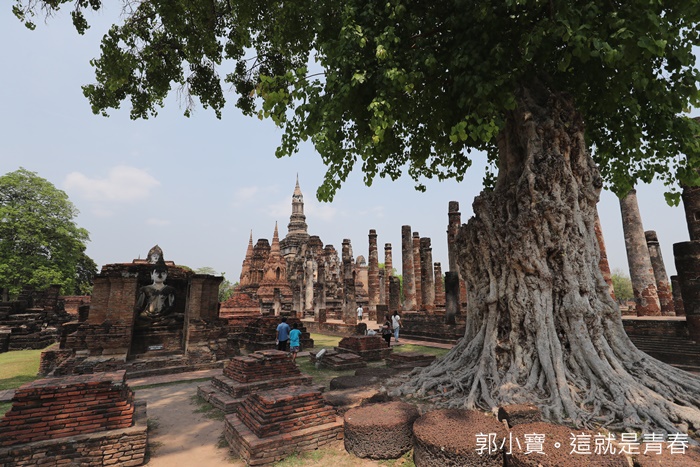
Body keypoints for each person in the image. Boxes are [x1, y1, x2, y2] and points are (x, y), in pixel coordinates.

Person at [135, 257, 177, 325]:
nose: (160, 276)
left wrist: (160, 315)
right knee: (139, 319)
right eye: (157, 273)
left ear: (166, 275)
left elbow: (171, 306)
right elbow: (139, 306)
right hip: (147, 314)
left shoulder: (170, 290)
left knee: (175, 319)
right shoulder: (145, 289)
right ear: (151, 274)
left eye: (163, 273)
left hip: (163, 316)